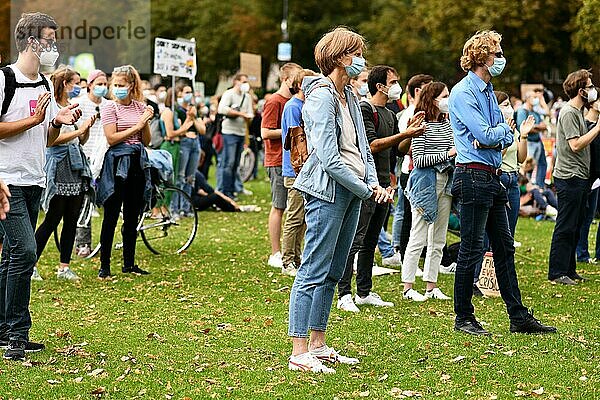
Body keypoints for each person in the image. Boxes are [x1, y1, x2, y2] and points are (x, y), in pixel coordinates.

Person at [287, 27, 392, 374]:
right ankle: (299, 349)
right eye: (356, 53)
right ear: (339, 56)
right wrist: (367, 190)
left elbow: (362, 149)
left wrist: (372, 183)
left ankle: (318, 344)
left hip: (352, 191)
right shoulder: (321, 96)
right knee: (313, 269)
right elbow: (329, 158)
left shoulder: (350, 96)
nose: (361, 60)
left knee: (334, 271)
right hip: (327, 191)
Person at [448, 30, 556, 335]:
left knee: (504, 248)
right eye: (497, 53)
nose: (501, 58)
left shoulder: (486, 91)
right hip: (472, 175)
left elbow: (503, 134)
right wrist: (499, 134)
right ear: (482, 56)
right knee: (472, 247)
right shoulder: (463, 92)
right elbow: (488, 134)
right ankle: (463, 316)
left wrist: (499, 135)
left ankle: (517, 315)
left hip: (492, 177)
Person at [0, 12, 82, 361]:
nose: (54, 46)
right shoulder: (4, 79)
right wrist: (33, 119)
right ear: (32, 41)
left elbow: (46, 139)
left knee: (11, 258)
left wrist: (57, 122)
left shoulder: (46, 84)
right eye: (49, 38)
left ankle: (5, 330)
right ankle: (17, 333)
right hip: (7, 181)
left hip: (34, 179)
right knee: (26, 252)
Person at [337, 65, 424, 312]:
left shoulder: (389, 113)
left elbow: (399, 149)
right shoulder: (366, 109)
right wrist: (405, 133)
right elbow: (373, 145)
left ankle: (364, 291)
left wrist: (410, 134)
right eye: (393, 81)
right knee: (356, 239)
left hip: (386, 184)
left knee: (372, 239)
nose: (397, 86)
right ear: (380, 86)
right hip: (367, 184)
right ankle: (344, 292)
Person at [34, 66, 95, 281]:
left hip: (75, 164)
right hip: (59, 165)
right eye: (75, 82)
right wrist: (78, 131)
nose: (78, 87)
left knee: (72, 217)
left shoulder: (72, 106)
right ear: (64, 83)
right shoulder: (52, 107)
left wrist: (84, 129)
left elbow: (79, 140)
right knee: (52, 219)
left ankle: (64, 266)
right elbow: (51, 141)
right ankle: (31, 265)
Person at [96, 65, 153, 279]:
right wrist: (137, 126)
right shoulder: (110, 108)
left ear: (131, 86)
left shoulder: (140, 108)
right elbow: (111, 137)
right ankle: (105, 265)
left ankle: (129, 263)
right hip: (117, 164)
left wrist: (144, 122)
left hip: (137, 163)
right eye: (115, 85)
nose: (117, 88)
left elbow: (146, 141)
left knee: (132, 216)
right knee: (110, 216)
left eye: (122, 85)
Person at [402, 81, 455, 302]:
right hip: (425, 182)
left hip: (446, 182)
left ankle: (431, 285)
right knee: (419, 235)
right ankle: (407, 287)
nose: (447, 99)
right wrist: (447, 154)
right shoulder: (420, 124)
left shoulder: (447, 123)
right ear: (432, 99)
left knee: (439, 237)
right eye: (444, 95)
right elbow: (420, 159)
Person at [548, 69, 600, 285]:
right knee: (565, 225)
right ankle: (557, 271)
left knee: (575, 225)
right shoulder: (569, 112)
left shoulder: (578, 112)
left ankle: (569, 269)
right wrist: (598, 128)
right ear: (580, 90)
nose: (593, 90)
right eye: (589, 86)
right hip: (569, 177)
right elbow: (575, 144)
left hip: (580, 177)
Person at [262, 63, 303, 269]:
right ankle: (276, 252)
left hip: (290, 160)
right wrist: (292, 131)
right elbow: (265, 132)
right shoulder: (275, 102)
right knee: (279, 206)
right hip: (277, 159)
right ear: (286, 80)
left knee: (293, 209)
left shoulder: (294, 102)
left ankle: (291, 252)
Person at [280, 68, 317, 277]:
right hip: (295, 171)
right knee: (294, 217)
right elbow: (298, 140)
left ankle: (297, 256)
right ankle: (287, 261)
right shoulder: (294, 107)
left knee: (303, 218)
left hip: (304, 171)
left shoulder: (303, 105)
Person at [393, 74, 433, 260]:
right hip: (411, 172)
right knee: (409, 218)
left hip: (426, 172)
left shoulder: (428, 112)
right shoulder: (410, 114)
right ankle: (404, 256)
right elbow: (403, 145)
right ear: (417, 91)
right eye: (429, 88)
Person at [74, 68, 108, 257]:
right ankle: (82, 243)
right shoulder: (79, 103)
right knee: (85, 202)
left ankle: (106, 240)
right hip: (84, 157)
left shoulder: (108, 105)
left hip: (104, 157)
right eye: (99, 84)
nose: (102, 88)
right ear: (90, 85)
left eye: (105, 84)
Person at [496, 91, 535, 244]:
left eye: (510, 105)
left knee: (510, 227)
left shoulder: (512, 127)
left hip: (513, 178)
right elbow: (497, 156)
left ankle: (504, 262)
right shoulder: (495, 129)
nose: (510, 109)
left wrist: (523, 136)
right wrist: (506, 133)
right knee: (496, 226)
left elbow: (521, 157)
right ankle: (489, 262)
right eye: (505, 105)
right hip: (500, 177)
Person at [217, 74, 254, 199]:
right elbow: (221, 109)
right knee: (229, 162)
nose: (245, 84)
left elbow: (250, 113)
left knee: (236, 163)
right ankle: (226, 191)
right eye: (243, 81)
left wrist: (247, 117)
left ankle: (232, 190)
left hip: (241, 132)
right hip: (229, 132)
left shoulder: (247, 97)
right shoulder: (229, 94)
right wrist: (239, 113)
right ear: (236, 82)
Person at [173, 84, 205, 216]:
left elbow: (202, 130)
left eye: (190, 92)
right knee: (180, 177)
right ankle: (175, 208)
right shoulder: (177, 110)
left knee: (190, 178)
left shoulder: (194, 110)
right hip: (184, 144)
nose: (189, 94)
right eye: (186, 92)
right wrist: (188, 118)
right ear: (179, 93)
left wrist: (193, 117)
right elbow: (180, 130)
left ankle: (186, 208)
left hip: (195, 143)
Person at [515, 91, 548, 188]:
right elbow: (524, 127)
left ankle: (539, 187)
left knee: (541, 164)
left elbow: (544, 125)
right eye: (534, 97)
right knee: (527, 166)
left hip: (538, 141)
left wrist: (535, 127)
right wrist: (537, 127)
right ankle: (527, 187)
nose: (535, 99)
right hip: (528, 142)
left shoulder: (535, 112)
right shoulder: (522, 111)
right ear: (528, 98)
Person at [191, 170, 258, 213]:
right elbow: (211, 191)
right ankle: (235, 208)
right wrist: (230, 201)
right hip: (194, 201)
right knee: (215, 197)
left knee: (210, 196)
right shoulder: (196, 173)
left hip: (191, 200)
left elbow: (200, 190)